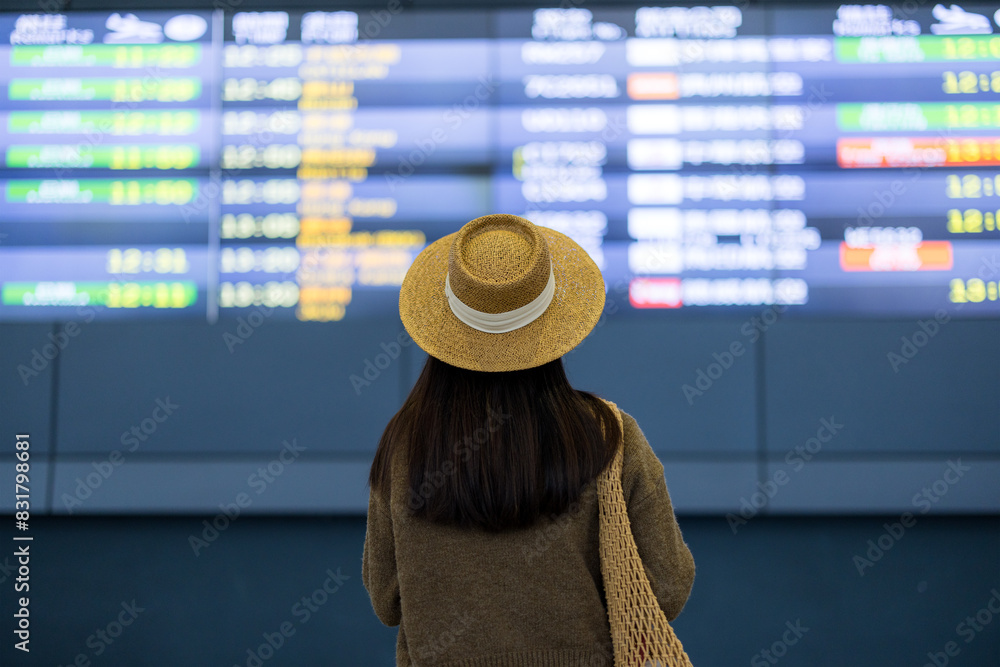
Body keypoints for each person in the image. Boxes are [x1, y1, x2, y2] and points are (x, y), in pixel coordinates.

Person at [362, 213, 695, 666]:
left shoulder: (404, 447)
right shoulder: (608, 436)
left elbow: (387, 600)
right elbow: (667, 586)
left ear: (445, 324)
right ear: (554, 324)